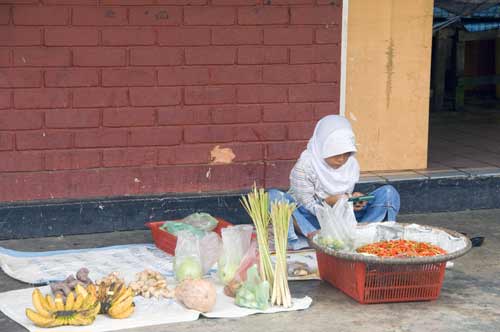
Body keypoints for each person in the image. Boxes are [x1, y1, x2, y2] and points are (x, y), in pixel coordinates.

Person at [268, 115, 400, 250]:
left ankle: (363, 234)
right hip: (311, 219)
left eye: (347, 153)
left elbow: (344, 199)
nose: (342, 159)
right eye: (336, 153)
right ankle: (315, 238)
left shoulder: (351, 164)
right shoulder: (306, 165)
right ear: (322, 147)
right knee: (274, 198)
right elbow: (306, 204)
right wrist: (329, 202)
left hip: (343, 220)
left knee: (388, 193)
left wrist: (354, 200)